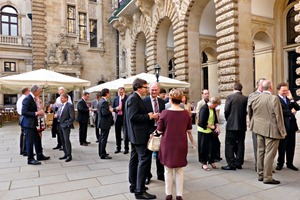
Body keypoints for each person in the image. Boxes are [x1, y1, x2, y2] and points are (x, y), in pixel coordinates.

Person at [156, 88, 195, 200]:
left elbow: (159, 131)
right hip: (181, 144)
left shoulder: (164, 113)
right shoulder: (186, 114)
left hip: (167, 144)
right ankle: (179, 195)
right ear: (181, 99)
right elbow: (189, 130)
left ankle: (168, 194)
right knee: (179, 170)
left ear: (171, 99)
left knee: (168, 170)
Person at [124, 78, 157, 199]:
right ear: (139, 88)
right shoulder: (134, 99)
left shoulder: (133, 98)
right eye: (145, 87)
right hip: (139, 136)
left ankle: (134, 185)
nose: (147, 89)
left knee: (135, 160)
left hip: (135, 135)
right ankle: (140, 190)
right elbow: (133, 117)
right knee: (144, 161)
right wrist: (149, 116)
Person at [248, 80, 286, 184]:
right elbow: (279, 117)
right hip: (271, 129)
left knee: (260, 151)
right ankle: (267, 177)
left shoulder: (255, 97)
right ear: (270, 87)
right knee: (270, 154)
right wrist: (282, 131)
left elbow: (251, 112)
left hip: (258, 128)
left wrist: (252, 124)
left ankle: (260, 174)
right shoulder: (273, 98)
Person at [21, 85, 50, 165]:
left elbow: (38, 108)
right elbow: (24, 112)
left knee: (37, 139)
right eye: (40, 91)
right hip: (29, 124)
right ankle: (30, 159)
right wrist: (36, 113)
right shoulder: (27, 99)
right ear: (35, 91)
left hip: (35, 123)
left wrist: (39, 103)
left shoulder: (34, 98)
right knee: (29, 141)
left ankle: (39, 155)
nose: (40, 92)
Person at [143, 82, 165, 185]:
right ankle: (147, 176)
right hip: (148, 130)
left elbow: (164, 115)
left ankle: (160, 174)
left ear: (159, 91)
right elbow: (143, 115)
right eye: (152, 90)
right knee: (148, 154)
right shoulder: (144, 101)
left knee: (160, 154)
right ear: (149, 90)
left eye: (156, 90)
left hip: (160, 130)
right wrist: (151, 116)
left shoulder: (162, 101)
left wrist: (160, 116)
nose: (154, 92)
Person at [222, 83, 248, 170]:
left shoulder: (230, 97)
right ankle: (239, 162)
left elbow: (226, 110)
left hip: (231, 125)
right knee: (240, 143)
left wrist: (228, 119)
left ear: (234, 88)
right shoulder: (245, 98)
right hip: (241, 125)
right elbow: (246, 111)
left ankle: (231, 163)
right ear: (241, 89)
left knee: (229, 144)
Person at [276, 82, 300, 171]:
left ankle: (290, 163)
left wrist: (292, 99)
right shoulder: (276, 99)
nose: (285, 92)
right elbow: (280, 111)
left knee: (291, 146)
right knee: (282, 146)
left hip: (292, 126)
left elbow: (297, 108)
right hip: (283, 126)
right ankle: (280, 163)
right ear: (278, 90)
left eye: (286, 90)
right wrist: (291, 112)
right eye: (283, 91)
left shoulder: (289, 98)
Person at [197, 97, 221, 171]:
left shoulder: (212, 108)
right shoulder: (204, 109)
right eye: (215, 105)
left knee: (214, 145)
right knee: (204, 147)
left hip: (211, 130)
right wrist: (211, 126)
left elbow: (215, 118)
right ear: (212, 103)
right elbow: (201, 122)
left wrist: (217, 126)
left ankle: (211, 160)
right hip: (203, 131)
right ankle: (204, 163)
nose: (215, 107)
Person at [247, 78, 265, 171]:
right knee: (257, 146)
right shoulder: (252, 95)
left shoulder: (269, 95)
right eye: (262, 85)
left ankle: (266, 165)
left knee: (266, 147)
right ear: (258, 85)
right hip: (257, 124)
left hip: (267, 126)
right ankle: (258, 166)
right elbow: (250, 111)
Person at [57, 93, 75, 162]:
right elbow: (60, 114)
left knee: (66, 140)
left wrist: (67, 124)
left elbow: (72, 117)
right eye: (60, 98)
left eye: (62, 98)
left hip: (65, 126)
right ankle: (65, 153)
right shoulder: (60, 105)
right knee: (62, 140)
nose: (61, 99)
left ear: (66, 99)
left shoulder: (69, 105)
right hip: (59, 125)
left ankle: (69, 155)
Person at [97, 88, 113, 159]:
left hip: (102, 122)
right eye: (109, 93)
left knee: (102, 138)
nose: (109, 94)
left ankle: (101, 152)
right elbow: (104, 113)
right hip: (105, 123)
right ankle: (102, 154)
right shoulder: (104, 102)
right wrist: (110, 111)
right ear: (106, 93)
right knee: (104, 139)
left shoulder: (101, 100)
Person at [112, 87, 128, 154]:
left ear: (124, 92)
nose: (121, 93)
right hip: (118, 116)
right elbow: (113, 108)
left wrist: (123, 99)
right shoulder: (115, 98)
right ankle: (118, 147)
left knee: (125, 133)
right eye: (119, 92)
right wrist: (116, 109)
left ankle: (126, 148)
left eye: (122, 92)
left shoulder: (127, 98)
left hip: (124, 117)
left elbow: (127, 107)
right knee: (117, 133)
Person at [16, 87, 30, 156]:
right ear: (26, 91)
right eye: (29, 91)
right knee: (25, 134)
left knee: (23, 134)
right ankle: (25, 151)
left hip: (21, 117)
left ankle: (23, 150)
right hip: (24, 117)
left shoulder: (20, 99)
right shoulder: (25, 99)